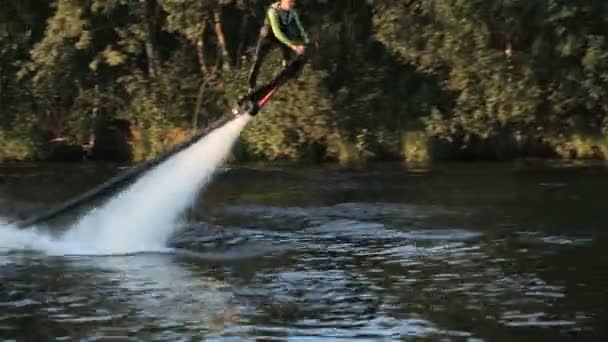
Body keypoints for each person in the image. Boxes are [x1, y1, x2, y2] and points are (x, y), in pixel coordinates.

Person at [246, 0, 311, 95]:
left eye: (293, 2)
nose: (292, 5)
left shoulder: (292, 12)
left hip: (281, 37)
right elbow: (277, 33)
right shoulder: (273, 11)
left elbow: (299, 27)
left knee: (289, 39)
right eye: (289, 2)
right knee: (257, 61)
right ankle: (251, 87)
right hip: (268, 37)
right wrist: (294, 47)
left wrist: (306, 40)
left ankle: (286, 64)